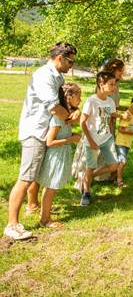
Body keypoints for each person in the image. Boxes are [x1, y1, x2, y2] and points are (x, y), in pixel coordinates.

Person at [3, 42, 79, 240]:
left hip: (45, 131)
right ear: (59, 58)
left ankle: (37, 212)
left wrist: (73, 111)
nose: (72, 65)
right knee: (26, 177)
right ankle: (12, 225)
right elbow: (54, 108)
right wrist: (71, 118)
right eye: (70, 61)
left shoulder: (58, 76)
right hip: (35, 132)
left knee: (36, 176)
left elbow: (63, 104)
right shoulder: (44, 75)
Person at [37, 83, 82, 228]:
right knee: (51, 187)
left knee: (53, 186)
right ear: (69, 97)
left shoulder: (66, 115)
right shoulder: (58, 118)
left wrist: (72, 134)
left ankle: (45, 213)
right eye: (78, 96)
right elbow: (49, 142)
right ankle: (45, 219)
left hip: (62, 154)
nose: (80, 100)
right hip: (55, 156)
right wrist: (71, 139)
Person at [79, 71, 120, 206]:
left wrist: (124, 116)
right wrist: (91, 141)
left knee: (114, 165)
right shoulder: (91, 101)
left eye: (114, 84)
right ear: (101, 84)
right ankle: (86, 192)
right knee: (90, 167)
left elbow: (111, 115)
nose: (114, 87)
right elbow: (82, 122)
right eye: (111, 84)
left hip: (106, 138)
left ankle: (91, 176)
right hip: (92, 140)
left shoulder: (110, 101)